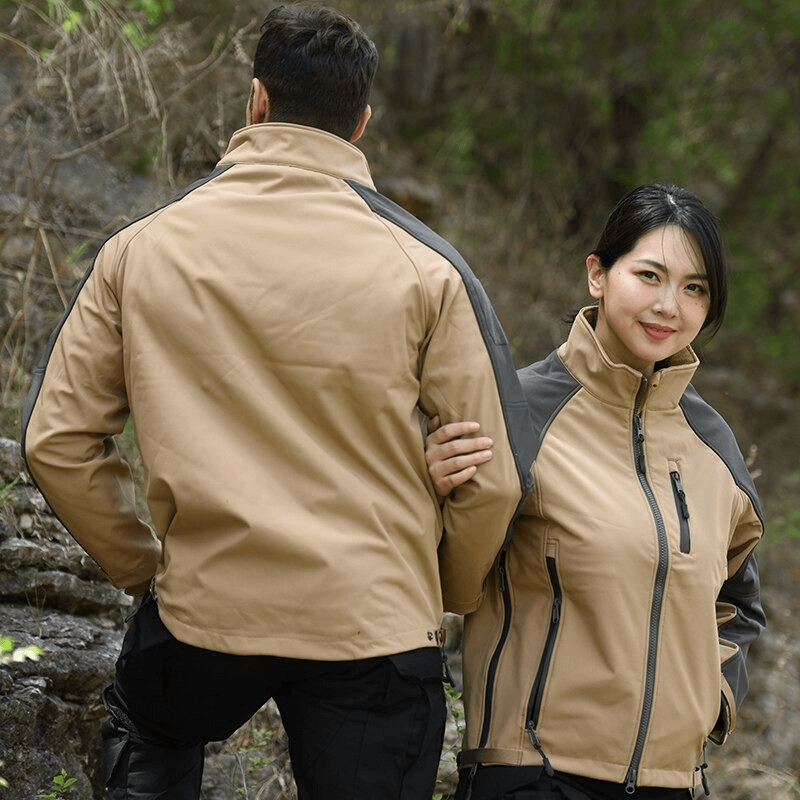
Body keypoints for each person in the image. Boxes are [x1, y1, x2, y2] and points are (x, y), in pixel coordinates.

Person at [21, 5, 535, 799]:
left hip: (204, 610)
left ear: (256, 101)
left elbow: (56, 442)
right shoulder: (429, 269)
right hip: (375, 625)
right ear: (359, 123)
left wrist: (145, 566)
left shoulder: (141, 249)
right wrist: (442, 590)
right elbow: (493, 477)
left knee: (150, 727)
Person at [425, 183, 765, 800]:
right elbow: (446, 579)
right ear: (598, 275)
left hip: (673, 784)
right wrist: (433, 490)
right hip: (534, 774)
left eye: (695, 288)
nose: (669, 305)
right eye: (650, 275)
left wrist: (710, 701)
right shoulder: (516, 411)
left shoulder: (712, 443)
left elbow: (738, 602)